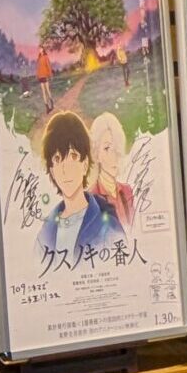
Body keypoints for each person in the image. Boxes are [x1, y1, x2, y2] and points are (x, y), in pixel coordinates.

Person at [37, 110, 125, 270]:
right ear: (51, 171)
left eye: (73, 156)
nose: (65, 169)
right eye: (57, 159)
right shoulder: (45, 233)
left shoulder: (108, 226)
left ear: (85, 164)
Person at [89, 110, 135, 232]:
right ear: (96, 154)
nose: (114, 155)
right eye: (107, 148)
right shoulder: (91, 199)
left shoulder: (127, 192)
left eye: (116, 147)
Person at [37, 45, 54, 113]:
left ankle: (52, 103)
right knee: (43, 92)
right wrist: (38, 75)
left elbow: (49, 66)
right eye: (39, 49)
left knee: (47, 90)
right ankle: (47, 108)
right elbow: (38, 68)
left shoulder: (46, 57)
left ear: (43, 49)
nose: (39, 50)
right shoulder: (39, 58)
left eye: (40, 49)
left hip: (45, 75)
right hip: (40, 76)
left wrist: (50, 75)